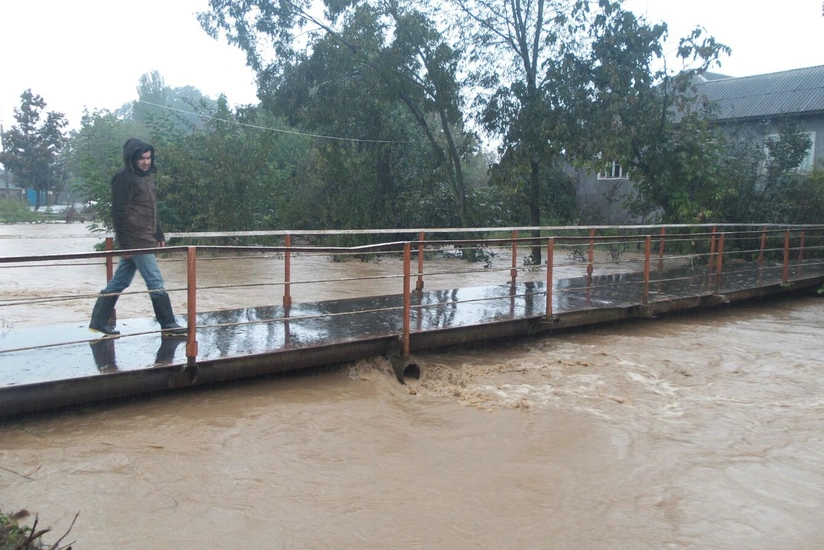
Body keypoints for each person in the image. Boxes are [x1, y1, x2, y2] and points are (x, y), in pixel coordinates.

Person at [88, 138, 186, 337]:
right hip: (135, 240)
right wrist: (125, 246)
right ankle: (168, 324)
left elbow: (151, 209)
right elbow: (119, 213)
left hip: (146, 237)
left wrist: (158, 233)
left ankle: (98, 322)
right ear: (131, 159)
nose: (146, 162)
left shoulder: (146, 177)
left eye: (149, 158)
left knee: (119, 282)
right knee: (155, 281)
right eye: (141, 158)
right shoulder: (124, 178)